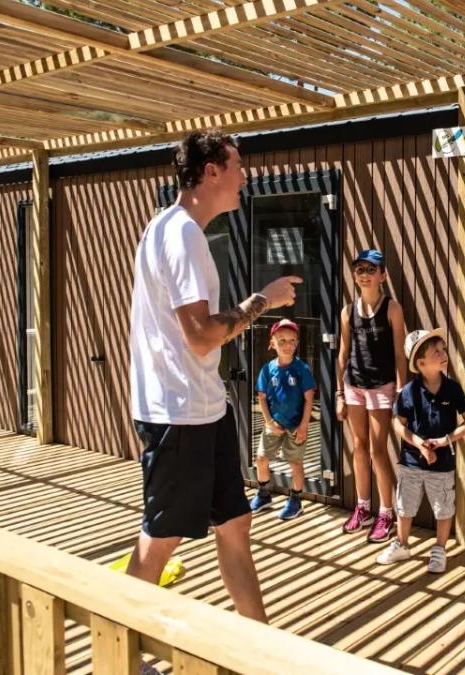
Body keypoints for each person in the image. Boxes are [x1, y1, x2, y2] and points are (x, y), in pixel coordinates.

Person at [127, 130, 300, 622]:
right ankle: (118, 645)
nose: (245, 176)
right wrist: (263, 300)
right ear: (210, 171)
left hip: (205, 408)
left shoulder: (167, 227)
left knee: (235, 523)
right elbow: (201, 336)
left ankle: (257, 642)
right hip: (179, 415)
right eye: (237, 166)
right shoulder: (182, 234)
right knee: (160, 541)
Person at [376, 329, 465, 571]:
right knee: (405, 505)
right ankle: (401, 544)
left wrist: (444, 440)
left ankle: (440, 549)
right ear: (420, 363)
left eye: (443, 349)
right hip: (411, 461)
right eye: (436, 352)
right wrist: (418, 443)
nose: (443, 355)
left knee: (443, 507)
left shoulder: (452, 389)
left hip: (442, 464)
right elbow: (397, 424)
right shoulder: (408, 392)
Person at [336, 249, 407, 543]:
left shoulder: (392, 308)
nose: (364, 274)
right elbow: (343, 353)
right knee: (359, 446)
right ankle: (363, 507)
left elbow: (400, 354)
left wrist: (401, 391)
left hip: (381, 387)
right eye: (360, 269)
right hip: (353, 385)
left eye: (370, 269)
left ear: (382, 276)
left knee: (379, 450)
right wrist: (339, 393)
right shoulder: (347, 311)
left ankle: (386, 513)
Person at [249, 318, 316, 520]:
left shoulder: (302, 369)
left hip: (296, 426)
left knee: (295, 462)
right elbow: (261, 397)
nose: (287, 345)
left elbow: (309, 399)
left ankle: (295, 499)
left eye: (292, 340)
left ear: (297, 343)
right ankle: (263, 494)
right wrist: (269, 422)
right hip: (274, 424)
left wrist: (303, 426)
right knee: (261, 458)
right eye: (282, 341)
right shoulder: (267, 369)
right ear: (272, 344)